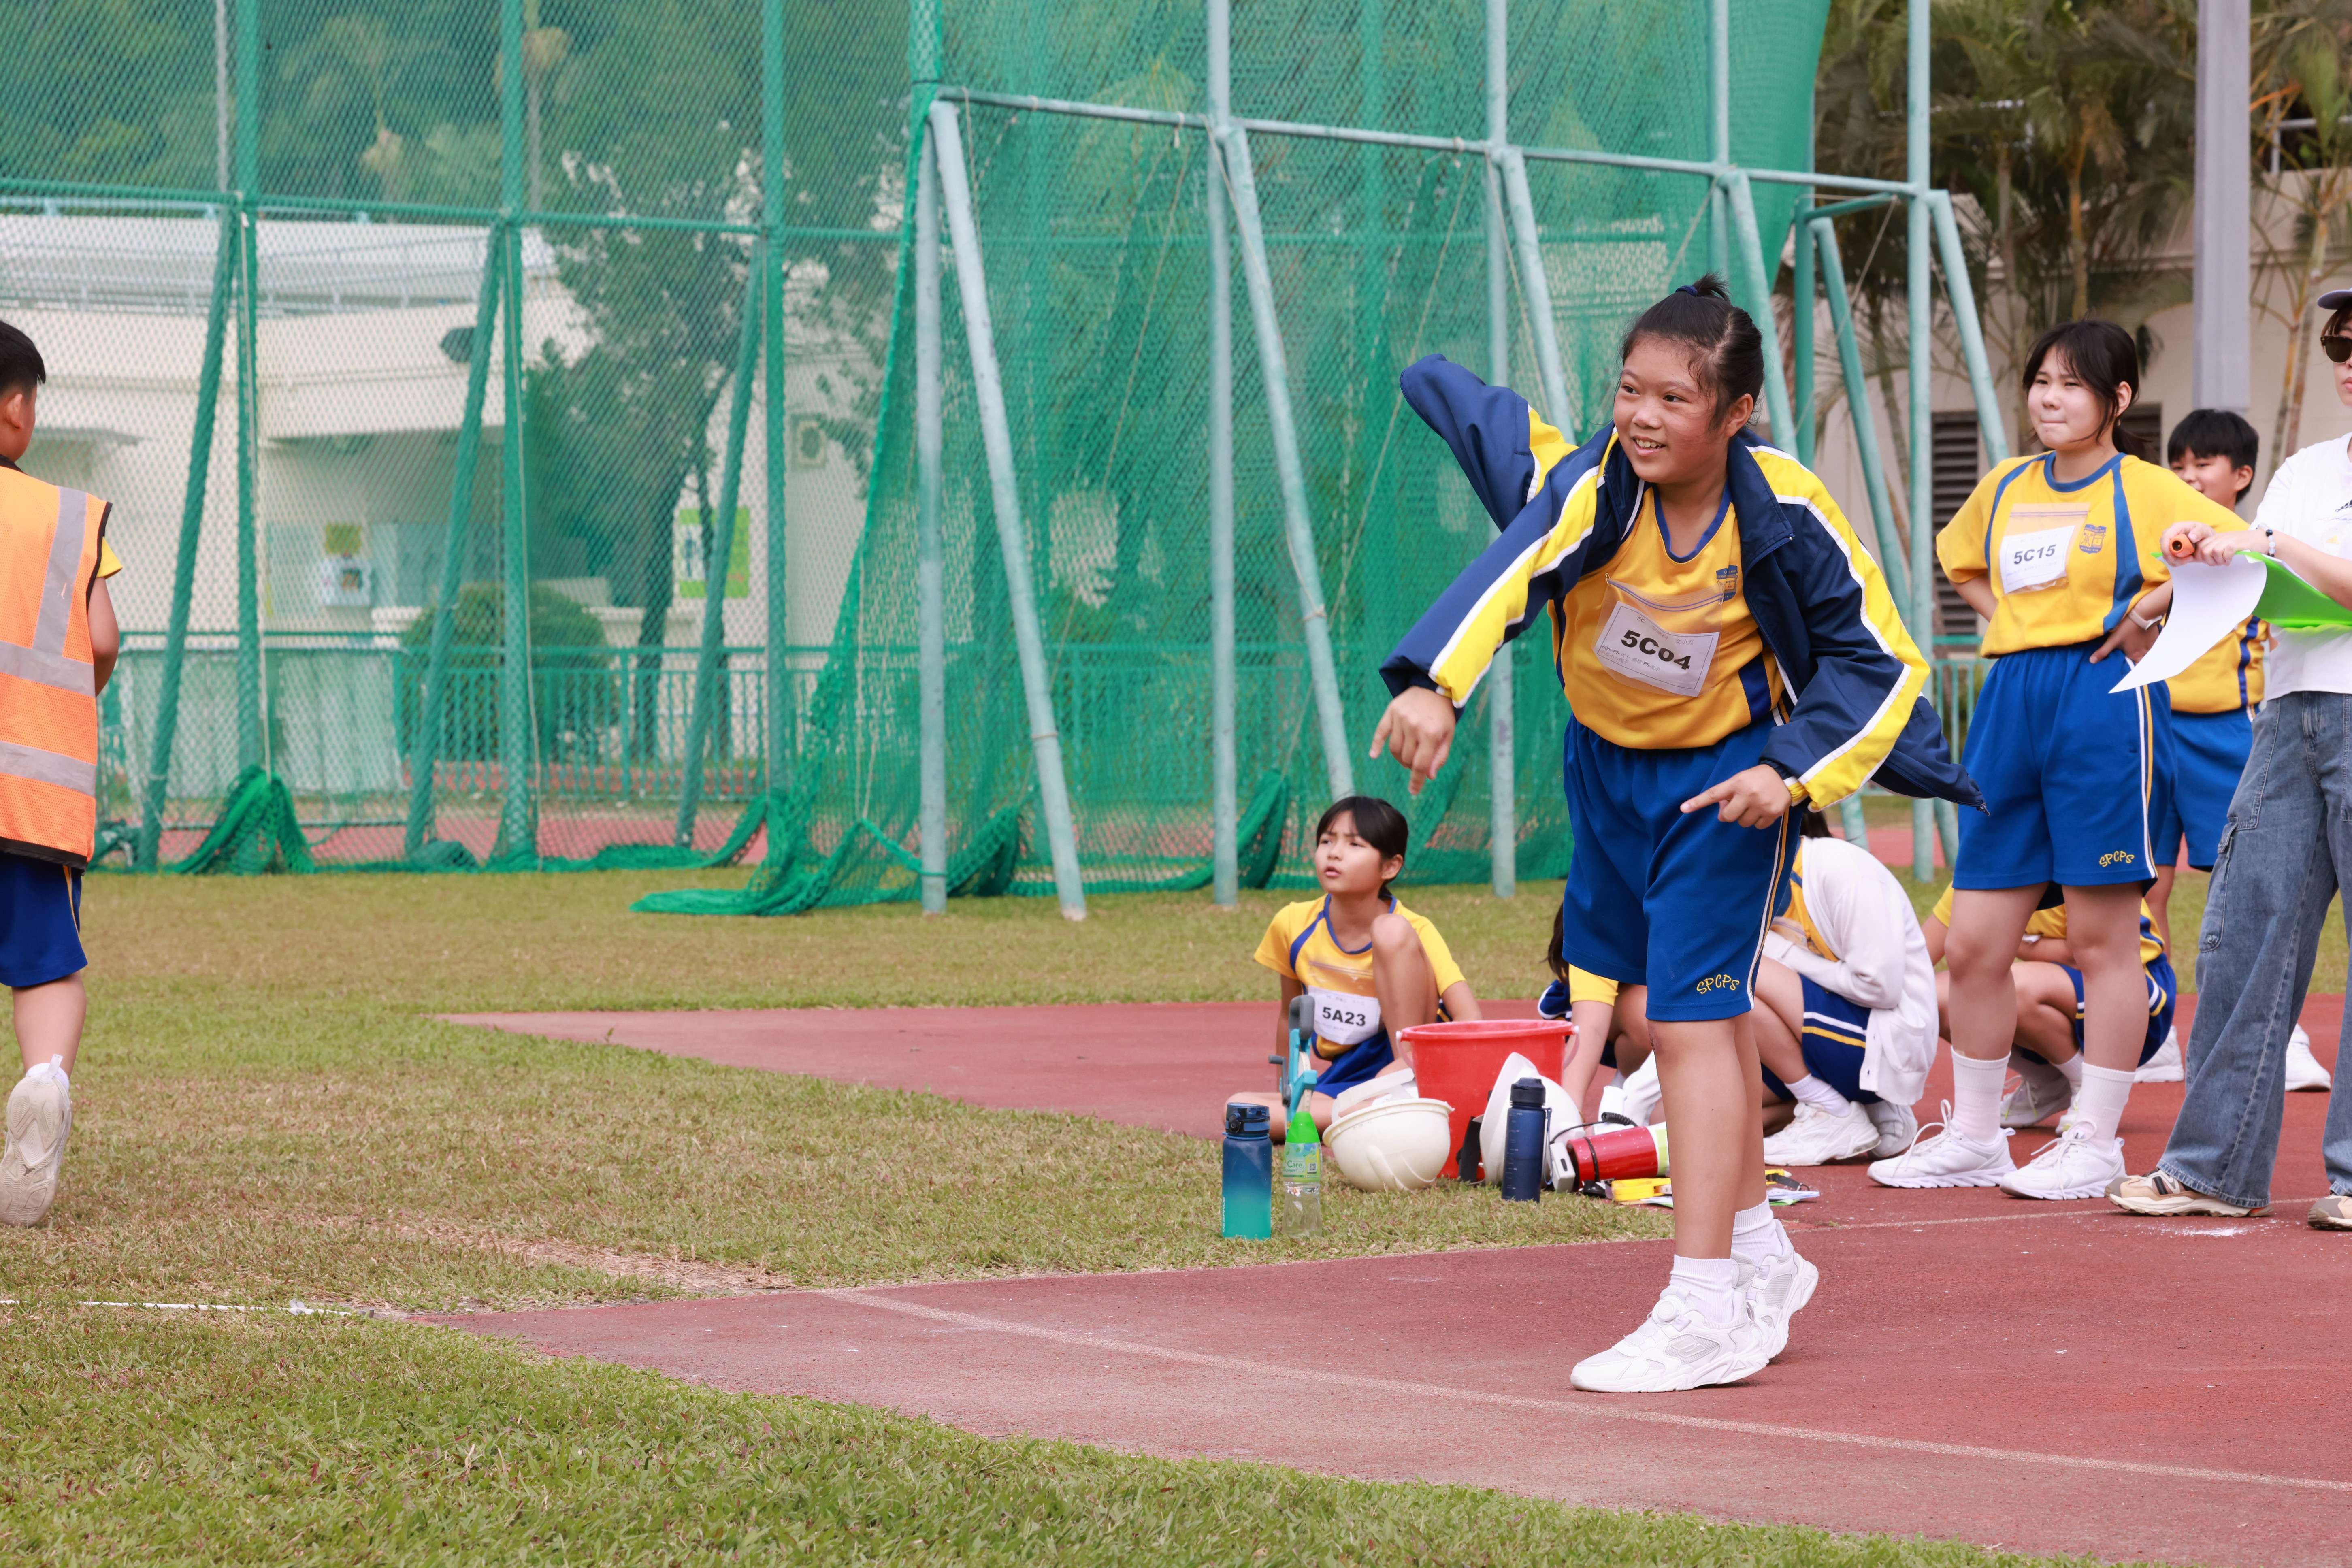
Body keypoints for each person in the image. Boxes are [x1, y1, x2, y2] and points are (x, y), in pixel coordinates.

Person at [1372, 276, 1975, 1392]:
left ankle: (1701, 1308)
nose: (1641, 417)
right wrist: (1433, 685)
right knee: (1677, 1013)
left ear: (1736, 413)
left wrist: (1787, 772)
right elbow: (1512, 569)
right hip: (1606, 776)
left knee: (1693, 1024)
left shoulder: (1783, 511)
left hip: (1721, 788)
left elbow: (1883, 665)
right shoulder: (1596, 484)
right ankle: (1757, 1255)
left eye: (1672, 399)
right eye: (1627, 391)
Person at [1907, 320, 2243, 1202]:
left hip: (2102, 701)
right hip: (2009, 702)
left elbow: (2243, 553)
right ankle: (1975, 1139)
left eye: (2071, 385)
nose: (2049, 399)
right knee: (1973, 942)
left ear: (2117, 400)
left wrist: (2151, 608)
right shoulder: (2005, 484)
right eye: (2040, 382)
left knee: (2101, 939)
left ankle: (2094, 1141)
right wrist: (2014, 623)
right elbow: (1959, 561)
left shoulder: (2146, 486)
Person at [2111, 287, 2352, 1228]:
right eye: (2339, 342)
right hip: (2288, 715)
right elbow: (2261, 573)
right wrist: (2197, 558)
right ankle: (2212, 1167)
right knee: (2242, 933)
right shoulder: (2303, 468)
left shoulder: (2289, 499)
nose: (2345, 359)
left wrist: (2268, 540)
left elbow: (2299, 561)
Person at [2142, 411, 2329, 1093]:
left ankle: (2287, 1036)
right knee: (2146, 888)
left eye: (2204, 465)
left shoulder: (2257, 545)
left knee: (2252, 890)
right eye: (2179, 466)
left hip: (2229, 730)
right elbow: (2143, 612)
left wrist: (2226, 550)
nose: (2189, 477)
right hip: (2155, 726)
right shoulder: (2164, 540)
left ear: (2242, 476)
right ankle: (2155, 1031)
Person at [0, 320, 123, 1227]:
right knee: (44, 966)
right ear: (15, 410)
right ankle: (43, 1081)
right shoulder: (71, 519)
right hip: (33, 791)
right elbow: (104, 639)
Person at [1228, 795, 1480, 1138]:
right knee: (1240, 1109)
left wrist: (1430, 1069)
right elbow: (1290, 1015)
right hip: (1349, 1078)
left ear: (1389, 867)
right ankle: (1367, 1114)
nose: (1334, 853)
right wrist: (1287, 1094)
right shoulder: (1292, 923)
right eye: (1326, 841)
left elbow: (1470, 1019)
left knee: (1390, 931)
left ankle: (1404, 1091)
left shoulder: (1411, 928)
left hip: (1420, 1067)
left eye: (1354, 844)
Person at [1904, 882, 2176, 1146]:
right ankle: (2047, 1082)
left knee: (2010, 987)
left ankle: (2087, 1084)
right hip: (2066, 990)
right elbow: (1918, 963)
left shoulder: (2069, 870)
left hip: (2139, 995)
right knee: (1939, 997)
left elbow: (2087, 953)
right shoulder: (1975, 879)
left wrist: (1999, 939)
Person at [1751, 814, 1933, 1166]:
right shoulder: (1747, 886)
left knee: (1736, 977)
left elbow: (1880, 988)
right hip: (1834, 1035)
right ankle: (1854, 1110)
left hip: (1886, 1044)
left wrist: (1785, 955)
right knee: (1689, 1111)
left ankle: (1830, 1110)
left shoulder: (1839, 867)